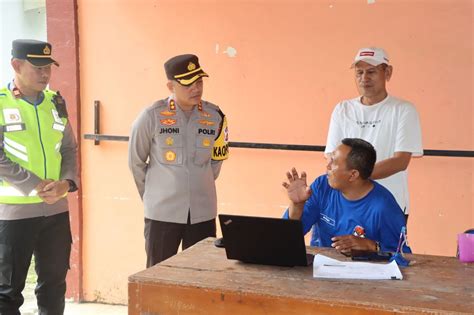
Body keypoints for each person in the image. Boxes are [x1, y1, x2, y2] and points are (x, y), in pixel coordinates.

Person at [0, 39, 78, 314]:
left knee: (54, 286)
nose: (45, 74)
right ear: (16, 65)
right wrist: (35, 185)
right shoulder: (1, 103)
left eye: (48, 67)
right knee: (7, 293)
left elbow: (68, 147)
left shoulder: (56, 102)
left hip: (55, 212)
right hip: (14, 214)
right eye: (38, 67)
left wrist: (66, 184)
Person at [129, 54, 229, 267]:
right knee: (159, 276)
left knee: (201, 276)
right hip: (163, 213)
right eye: (188, 83)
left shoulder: (215, 116)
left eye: (199, 81)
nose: (196, 88)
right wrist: (154, 196)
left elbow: (216, 162)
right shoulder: (151, 116)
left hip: (203, 213)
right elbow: (136, 162)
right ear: (170, 86)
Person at [325, 47, 423, 222]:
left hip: (389, 205)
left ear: (388, 72)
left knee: (384, 250)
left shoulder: (403, 110)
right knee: (339, 249)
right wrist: (352, 179)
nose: (364, 78)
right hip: (346, 204)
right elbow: (332, 157)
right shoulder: (342, 110)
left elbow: (400, 161)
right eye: (359, 72)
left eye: (371, 72)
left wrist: (356, 177)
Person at [283, 138, 411, 254]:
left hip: (366, 276)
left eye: (333, 162)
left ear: (353, 174)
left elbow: (403, 257)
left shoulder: (384, 207)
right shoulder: (322, 186)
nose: (327, 166)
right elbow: (288, 237)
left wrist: (372, 246)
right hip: (322, 271)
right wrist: (297, 205)